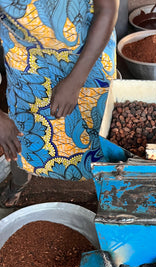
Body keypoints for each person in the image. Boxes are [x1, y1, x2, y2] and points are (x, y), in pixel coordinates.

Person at [0, 0, 119, 207]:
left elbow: (107, 10)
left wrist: (75, 81)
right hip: (25, 60)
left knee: (99, 133)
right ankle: (19, 181)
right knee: (22, 133)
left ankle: (105, 191)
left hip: (89, 51)